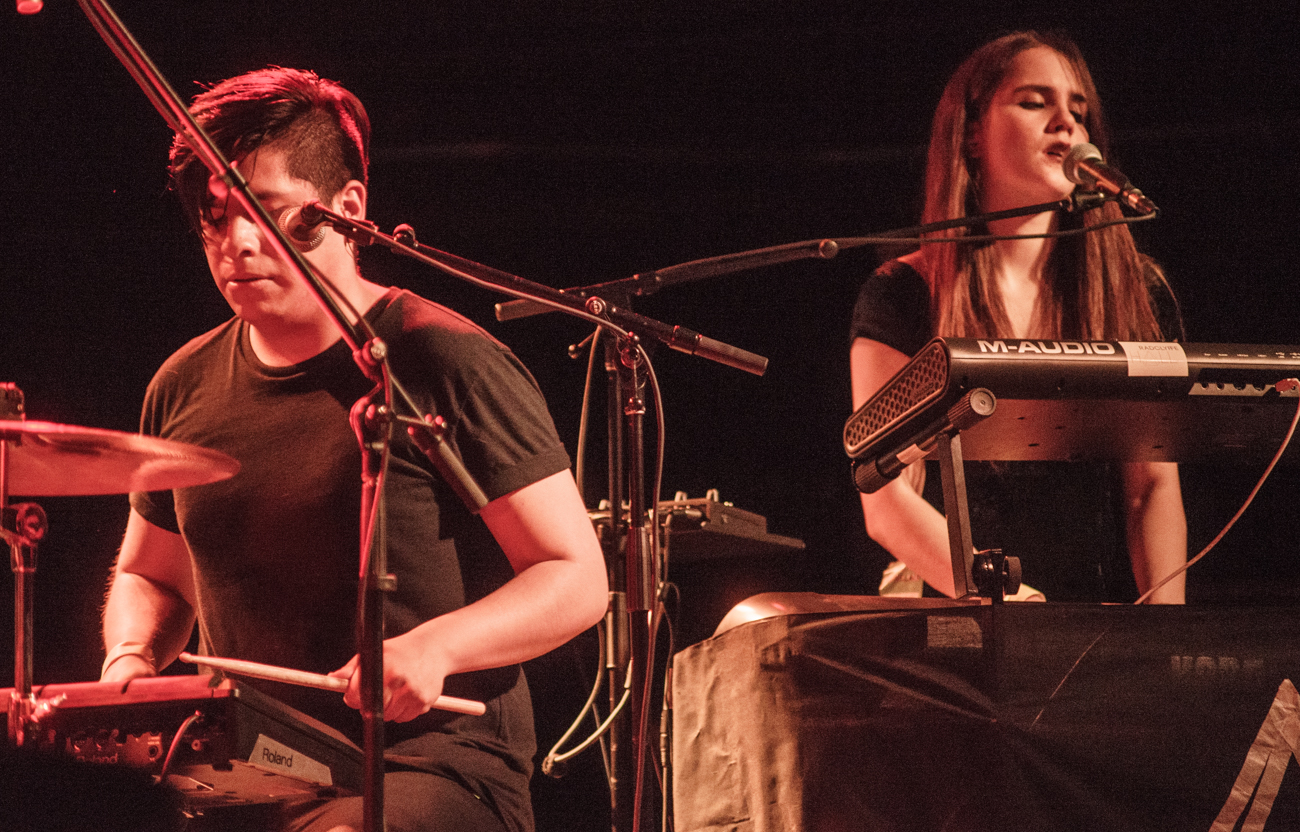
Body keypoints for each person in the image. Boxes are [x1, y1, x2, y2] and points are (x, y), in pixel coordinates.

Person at [99, 67, 609, 832]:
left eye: (264, 213)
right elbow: (153, 576)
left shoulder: (442, 359)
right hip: (249, 772)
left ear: (347, 210)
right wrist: (130, 662)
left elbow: (575, 577)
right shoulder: (182, 385)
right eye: (214, 218)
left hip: (428, 769)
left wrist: (434, 648)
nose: (236, 243)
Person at [849, 31, 1187, 603]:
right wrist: (1012, 602)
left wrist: (1163, 636)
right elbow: (886, 502)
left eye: (1079, 112)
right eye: (1034, 102)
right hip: (958, 614)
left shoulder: (1135, 290)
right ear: (972, 134)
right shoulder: (905, 293)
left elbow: (1150, 487)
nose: (1066, 124)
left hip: (1098, 621)